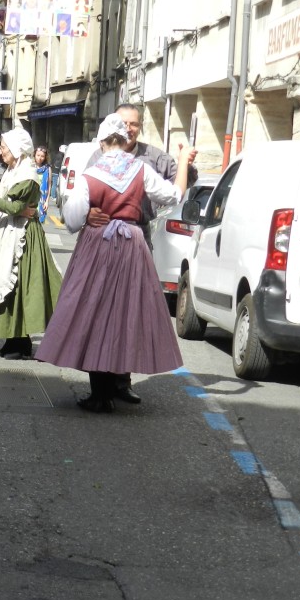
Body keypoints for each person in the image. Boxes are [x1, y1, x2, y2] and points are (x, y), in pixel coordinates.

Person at [35, 114, 195, 413]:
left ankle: (100, 394)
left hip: (98, 244)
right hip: (132, 244)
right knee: (124, 313)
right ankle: (117, 383)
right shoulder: (140, 169)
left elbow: (70, 220)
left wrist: (90, 214)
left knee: (93, 312)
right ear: (125, 141)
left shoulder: (90, 175)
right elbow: (172, 196)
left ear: (101, 142)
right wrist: (183, 160)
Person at [85, 103, 199, 404]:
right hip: (103, 238)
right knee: (101, 309)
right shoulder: (99, 156)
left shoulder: (153, 158)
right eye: (124, 123)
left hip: (137, 235)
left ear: (139, 127)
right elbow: (84, 196)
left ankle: (120, 382)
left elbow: (183, 184)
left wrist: (185, 161)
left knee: (128, 310)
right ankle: (103, 383)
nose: (129, 128)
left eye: (134, 124)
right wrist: (87, 214)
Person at [0, 127, 61, 360]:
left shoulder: (28, 175)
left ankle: (22, 342)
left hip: (23, 236)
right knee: (9, 287)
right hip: (11, 231)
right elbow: (7, 192)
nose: (0, 152)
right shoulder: (15, 170)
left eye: (4, 148)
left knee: (18, 287)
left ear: (17, 150)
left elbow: (17, 207)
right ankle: (12, 340)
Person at [34, 146, 54, 225]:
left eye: (42, 156)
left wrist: (47, 202)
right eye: (38, 155)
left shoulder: (47, 169)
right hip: (31, 198)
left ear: (45, 157)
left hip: (41, 200)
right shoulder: (30, 167)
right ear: (34, 155)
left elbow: (49, 186)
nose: (40, 158)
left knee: (38, 223)